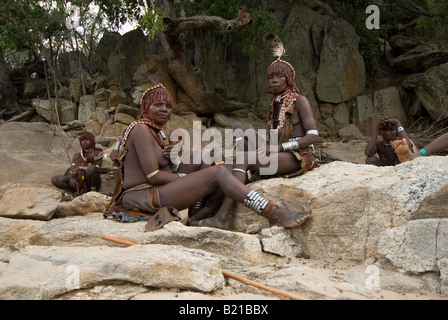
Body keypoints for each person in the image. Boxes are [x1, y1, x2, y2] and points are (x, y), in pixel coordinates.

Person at [105, 83, 311, 229]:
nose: (164, 110)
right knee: (218, 173)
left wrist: (174, 157)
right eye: (158, 105)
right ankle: (271, 212)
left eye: (168, 107)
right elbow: (154, 176)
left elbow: (163, 167)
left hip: (155, 190)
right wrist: (190, 180)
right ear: (145, 108)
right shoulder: (140, 129)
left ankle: (197, 215)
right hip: (144, 195)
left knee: (208, 156)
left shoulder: (154, 132)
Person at [191, 57, 319, 228]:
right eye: (270, 77)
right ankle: (242, 170)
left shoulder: (300, 101)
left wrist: (279, 147)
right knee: (237, 128)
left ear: (289, 78)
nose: (273, 80)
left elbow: (313, 136)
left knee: (243, 158)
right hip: (276, 151)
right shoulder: (275, 104)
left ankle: (221, 218)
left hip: (297, 156)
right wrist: (268, 147)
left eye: (279, 76)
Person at [51, 131, 103, 200]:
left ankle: (92, 191)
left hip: (91, 181)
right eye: (82, 140)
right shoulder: (77, 156)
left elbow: (97, 168)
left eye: (87, 140)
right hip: (78, 181)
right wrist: (72, 178)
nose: (84, 142)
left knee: (91, 168)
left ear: (92, 141)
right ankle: (74, 191)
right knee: (55, 179)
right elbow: (72, 170)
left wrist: (79, 167)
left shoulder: (98, 154)